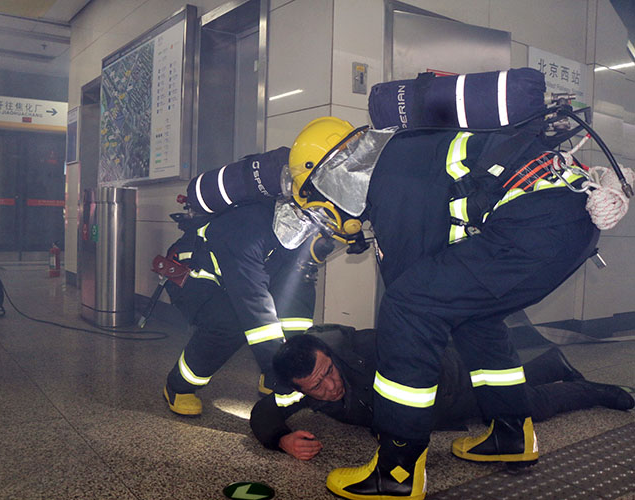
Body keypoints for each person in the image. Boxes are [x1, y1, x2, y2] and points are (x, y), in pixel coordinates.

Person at [278, 115, 604, 499]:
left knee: (406, 309)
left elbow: (408, 286)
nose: (327, 214)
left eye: (320, 199)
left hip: (535, 225)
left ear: (331, 175)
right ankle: (511, 433)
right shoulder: (403, 157)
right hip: (562, 223)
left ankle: (396, 470)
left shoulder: (390, 177)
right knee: (472, 318)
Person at [251, 327, 634, 461]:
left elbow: (424, 362)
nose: (330, 386)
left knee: (525, 407)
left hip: (448, 384)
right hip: (435, 396)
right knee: (507, 388)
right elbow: (263, 413)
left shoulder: (366, 349)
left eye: (329, 372)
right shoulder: (297, 389)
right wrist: (281, 439)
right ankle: (553, 364)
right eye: (317, 385)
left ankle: (592, 390)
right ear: (299, 388)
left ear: (331, 355)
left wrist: (391, 425)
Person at [162, 148, 339, 417]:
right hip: (195, 275)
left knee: (298, 290)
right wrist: (284, 374)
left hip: (242, 275)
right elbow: (254, 309)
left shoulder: (294, 220)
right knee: (230, 320)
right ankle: (178, 385)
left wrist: (294, 367)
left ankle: (273, 378)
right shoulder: (246, 230)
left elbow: (291, 293)